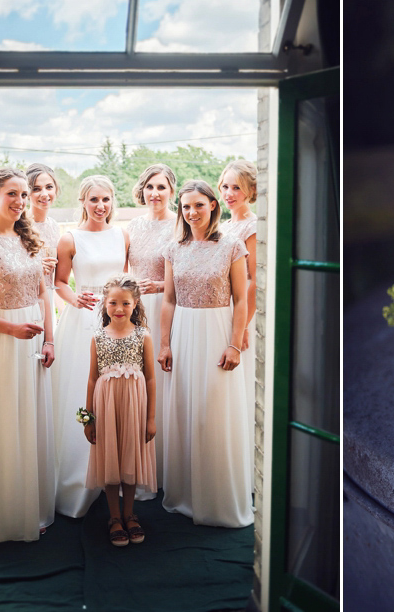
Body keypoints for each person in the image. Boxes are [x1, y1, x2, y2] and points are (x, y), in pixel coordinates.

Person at [159, 180, 252, 527]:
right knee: (185, 410)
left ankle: (219, 501)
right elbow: (168, 299)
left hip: (216, 332)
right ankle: (185, 496)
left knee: (212, 413)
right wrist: (165, 343)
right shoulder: (174, 249)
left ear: (213, 205)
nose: (191, 212)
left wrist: (234, 342)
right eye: (185, 207)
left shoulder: (231, 246)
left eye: (198, 205)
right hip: (183, 332)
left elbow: (241, 299)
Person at [0, 167, 56, 545]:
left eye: (24, 195)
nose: (21, 202)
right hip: (3, 338)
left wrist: (50, 341)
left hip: (35, 337)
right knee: (7, 419)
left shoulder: (29, 238)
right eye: (12, 193)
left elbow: (44, 292)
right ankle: (10, 513)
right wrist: (12, 329)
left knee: (33, 417)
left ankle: (36, 505)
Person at [52, 175, 129, 518]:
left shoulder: (122, 235)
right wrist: (75, 298)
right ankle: (78, 477)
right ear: (82, 201)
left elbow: (127, 283)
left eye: (106, 200)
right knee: (82, 392)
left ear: (113, 202)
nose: (100, 206)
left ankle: (117, 474)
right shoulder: (69, 238)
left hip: (117, 321)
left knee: (116, 394)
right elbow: (58, 283)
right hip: (83, 321)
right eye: (94, 199)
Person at [82, 275, 157, 546]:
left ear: (135, 304)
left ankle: (130, 513)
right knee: (111, 459)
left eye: (125, 303)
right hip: (106, 405)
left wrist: (150, 418)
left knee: (130, 458)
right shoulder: (98, 337)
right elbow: (91, 379)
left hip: (134, 404)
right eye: (113, 303)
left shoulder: (142, 335)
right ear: (105, 304)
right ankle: (114, 517)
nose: (119, 309)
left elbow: (150, 378)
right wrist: (87, 418)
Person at [126, 163, 177, 497]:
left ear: (173, 190)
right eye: (149, 187)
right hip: (135, 315)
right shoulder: (132, 226)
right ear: (141, 191)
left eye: (161, 187)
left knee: (168, 387)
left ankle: (170, 467)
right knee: (139, 386)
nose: (155, 194)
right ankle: (140, 468)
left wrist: (160, 285)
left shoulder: (182, 224)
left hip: (168, 310)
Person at [217, 160, 258, 490]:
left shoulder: (251, 227)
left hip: (240, 314)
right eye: (226, 186)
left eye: (237, 188)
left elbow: (254, 280)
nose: (229, 193)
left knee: (241, 389)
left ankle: (243, 467)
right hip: (219, 310)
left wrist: (242, 327)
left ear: (250, 192)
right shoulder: (224, 226)